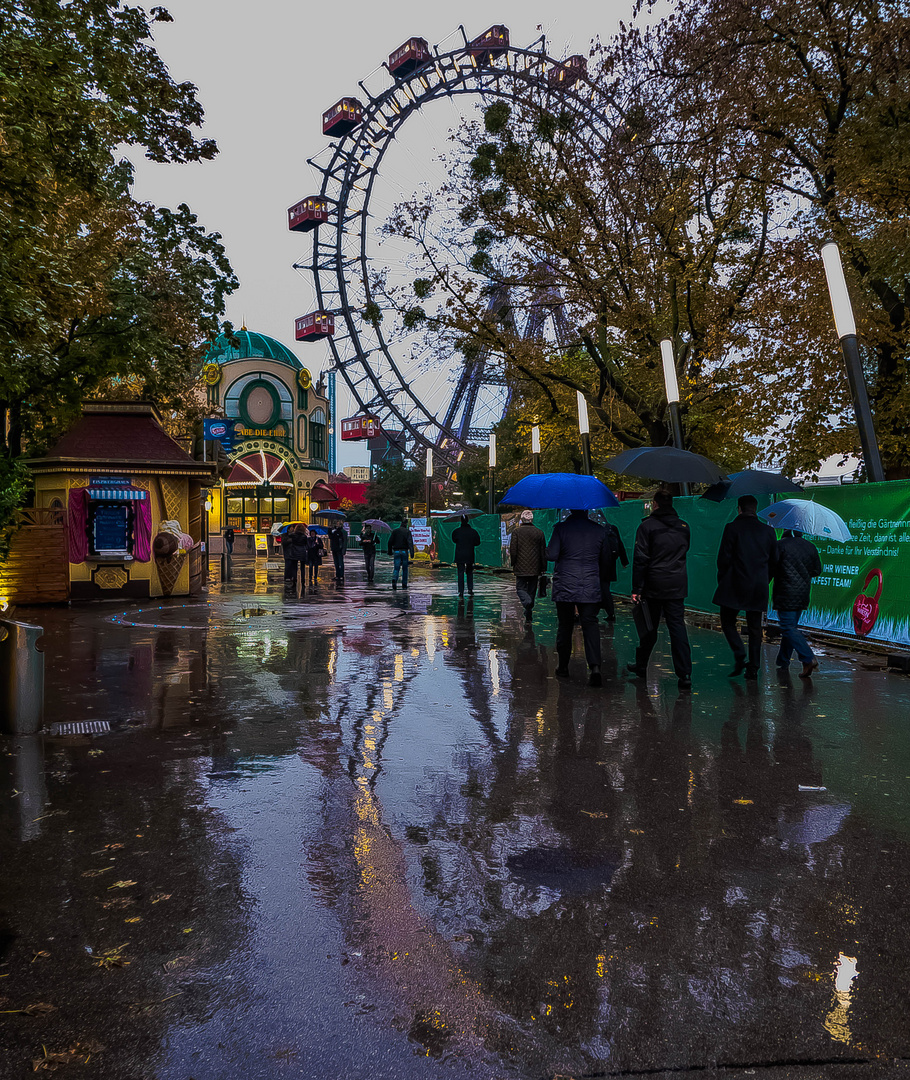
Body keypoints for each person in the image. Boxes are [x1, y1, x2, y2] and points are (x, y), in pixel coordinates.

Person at [627, 490, 693, 690]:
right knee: (677, 628)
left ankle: (641, 665)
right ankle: (685, 673)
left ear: (655, 504)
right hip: (677, 584)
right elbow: (685, 550)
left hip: (653, 584)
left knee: (649, 626)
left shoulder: (646, 527)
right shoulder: (684, 527)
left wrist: (637, 587)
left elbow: (641, 559)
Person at [714, 494, 778, 678]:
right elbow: (774, 561)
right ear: (755, 509)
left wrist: (723, 579)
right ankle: (754, 667)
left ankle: (739, 652)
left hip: (734, 581)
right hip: (758, 584)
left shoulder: (732, 528)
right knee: (755, 627)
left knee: (727, 621)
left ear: (739, 508)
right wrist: (765, 579)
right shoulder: (768, 531)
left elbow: (723, 558)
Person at [546, 508, 612, 687]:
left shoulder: (560, 528)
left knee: (565, 625)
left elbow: (551, 555)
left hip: (565, 585)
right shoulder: (599, 530)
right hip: (590, 584)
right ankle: (595, 667)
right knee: (590, 624)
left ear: (571, 511)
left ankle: (563, 667)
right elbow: (606, 559)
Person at [772, 529, 822, 678]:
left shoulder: (780, 545)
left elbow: (772, 566)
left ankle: (808, 658)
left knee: (788, 628)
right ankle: (783, 661)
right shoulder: (810, 546)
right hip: (802, 594)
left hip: (785, 592)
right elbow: (817, 570)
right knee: (791, 627)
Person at [509, 509, 547, 621]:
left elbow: (513, 550)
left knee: (520, 588)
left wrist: (513, 562)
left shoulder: (516, 532)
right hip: (535, 567)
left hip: (520, 566)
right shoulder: (539, 532)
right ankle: (529, 609)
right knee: (532, 589)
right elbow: (542, 552)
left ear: (521, 519)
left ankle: (527, 603)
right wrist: (543, 567)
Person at [601, 521, 629, 621]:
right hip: (610, 563)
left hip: (598, 563)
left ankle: (607, 612)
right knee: (605, 587)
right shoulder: (611, 527)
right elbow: (620, 543)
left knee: (601, 588)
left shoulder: (595, 529)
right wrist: (624, 560)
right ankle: (610, 612)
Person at [452, 514, 482, 597]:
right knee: (469, 572)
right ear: (468, 521)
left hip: (459, 555)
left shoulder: (456, 531)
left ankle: (461, 591)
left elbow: (454, 540)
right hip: (469, 555)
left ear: (461, 521)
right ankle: (470, 589)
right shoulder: (473, 532)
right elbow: (478, 542)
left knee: (460, 573)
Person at [281, 523, 309, 593]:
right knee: (302, 568)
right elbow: (306, 544)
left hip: (295, 552)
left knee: (294, 567)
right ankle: (303, 580)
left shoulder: (293, 536)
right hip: (302, 552)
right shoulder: (304, 537)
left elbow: (289, 536)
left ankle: (294, 580)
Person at [388, 519, 415, 587]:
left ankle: (394, 578)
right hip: (404, 551)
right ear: (406, 524)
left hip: (396, 551)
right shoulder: (407, 532)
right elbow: (410, 542)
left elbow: (390, 542)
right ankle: (404, 583)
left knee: (396, 567)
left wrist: (390, 551)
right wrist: (412, 552)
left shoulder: (395, 531)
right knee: (405, 568)